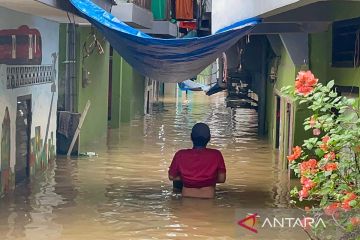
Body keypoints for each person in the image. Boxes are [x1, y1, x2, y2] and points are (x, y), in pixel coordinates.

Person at [168, 123, 226, 198]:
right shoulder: (216, 155)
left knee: (176, 185)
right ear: (209, 138)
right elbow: (222, 179)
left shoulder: (180, 154)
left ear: (191, 137)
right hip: (208, 198)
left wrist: (187, 178)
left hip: (187, 198)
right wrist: (206, 179)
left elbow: (171, 177)